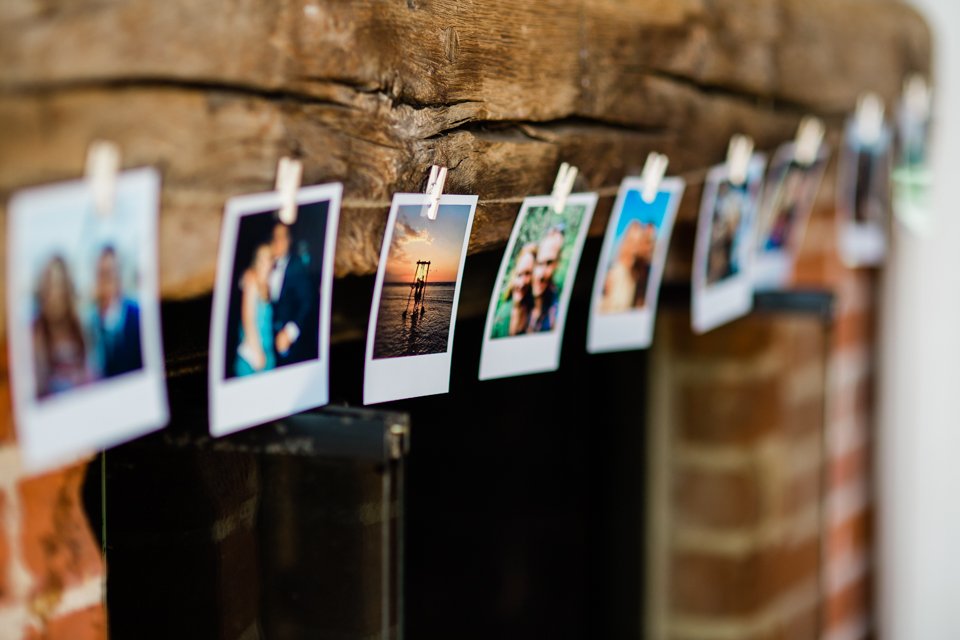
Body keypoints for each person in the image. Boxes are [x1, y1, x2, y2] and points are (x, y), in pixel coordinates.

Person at [32, 255, 90, 398]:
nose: (55, 294)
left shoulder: (80, 329)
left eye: (60, 285)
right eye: (50, 286)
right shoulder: (35, 335)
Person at [90, 245, 143, 379]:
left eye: (110, 273)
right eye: (101, 274)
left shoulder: (136, 315)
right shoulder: (91, 321)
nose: (106, 281)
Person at [268, 222, 314, 367]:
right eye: (275, 237)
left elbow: (307, 302)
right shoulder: (264, 262)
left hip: (290, 343)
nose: (277, 241)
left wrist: (290, 332)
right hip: (267, 337)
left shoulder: (297, 265)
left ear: (288, 240)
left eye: (282, 237)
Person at [235, 243, 276, 376]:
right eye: (261, 258)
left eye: (268, 258)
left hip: (267, 353)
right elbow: (248, 318)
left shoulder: (268, 284)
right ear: (256, 260)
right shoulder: (251, 277)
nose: (265, 262)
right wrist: (257, 352)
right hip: (251, 355)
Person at [528, 226, 564, 333]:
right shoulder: (523, 297)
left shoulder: (554, 301)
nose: (541, 274)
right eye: (539, 263)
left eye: (549, 263)